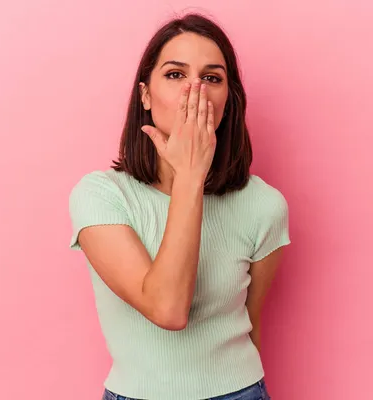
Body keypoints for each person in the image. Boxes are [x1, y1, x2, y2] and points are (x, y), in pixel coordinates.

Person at [68, 12, 290, 400]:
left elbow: (248, 328)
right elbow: (168, 310)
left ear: (229, 100)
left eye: (211, 77)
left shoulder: (263, 205)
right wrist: (189, 178)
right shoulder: (101, 196)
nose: (195, 91)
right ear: (145, 96)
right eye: (175, 75)